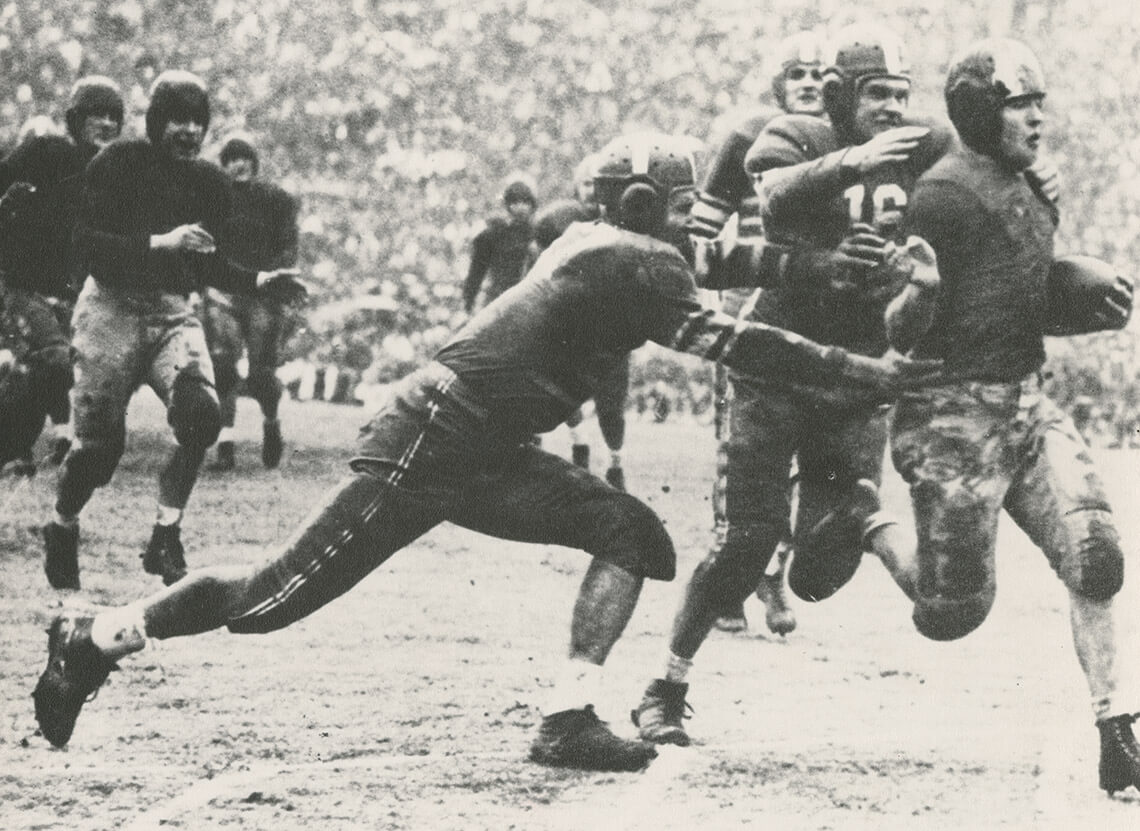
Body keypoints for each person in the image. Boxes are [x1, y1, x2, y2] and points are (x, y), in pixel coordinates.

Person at [31, 132, 941, 772]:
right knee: (270, 599)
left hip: (480, 441)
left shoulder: (608, 241)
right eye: (679, 203)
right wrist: (866, 370)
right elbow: (744, 337)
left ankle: (569, 714)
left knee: (632, 535)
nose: (692, 220)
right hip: (434, 436)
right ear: (642, 205)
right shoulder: (634, 256)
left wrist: (824, 269)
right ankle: (98, 635)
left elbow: (726, 260)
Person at [632, 22, 959, 746]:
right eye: (877, 94)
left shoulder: (924, 144)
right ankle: (667, 681)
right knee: (747, 537)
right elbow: (778, 197)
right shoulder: (792, 132)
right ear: (841, 94)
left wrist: (1032, 177)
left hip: (860, 369)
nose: (891, 109)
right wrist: (854, 162)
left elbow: (975, 171)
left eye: (901, 95)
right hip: (777, 360)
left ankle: (877, 540)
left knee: (819, 566)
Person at [876, 38, 1140, 797]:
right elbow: (897, 327)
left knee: (1096, 550)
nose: (1038, 119)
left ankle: (1116, 726)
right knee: (950, 610)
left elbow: (1013, 294)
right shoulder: (940, 197)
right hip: (951, 419)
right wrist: (919, 294)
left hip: (1026, 401)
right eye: (1023, 104)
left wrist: (1073, 299)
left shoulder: (1034, 184)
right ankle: (868, 525)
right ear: (982, 111)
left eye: (1039, 103)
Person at [39, 70, 305, 591]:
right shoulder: (119, 162)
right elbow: (87, 244)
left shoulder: (209, 182)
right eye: (178, 120)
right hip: (110, 308)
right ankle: (63, 523)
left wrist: (258, 278)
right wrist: (162, 241)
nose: (188, 131)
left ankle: (166, 533)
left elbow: (206, 263)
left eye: (197, 121)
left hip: (170, 313)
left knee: (201, 414)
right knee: (98, 451)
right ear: (157, 121)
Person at [692, 29, 828, 635]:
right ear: (779, 84)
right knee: (743, 451)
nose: (807, 85)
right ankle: (729, 581)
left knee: (807, 455)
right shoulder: (750, 134)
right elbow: (702, 226)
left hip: (822, 310)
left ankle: (773, 573)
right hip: (751, 305)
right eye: (795, 74)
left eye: (817, 76)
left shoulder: (851, 142)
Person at [0, 77, 125, 475]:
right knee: (53, 363)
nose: (106, 123)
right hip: (26, 287)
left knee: (47, 380)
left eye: (113, 116)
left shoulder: (119, 175)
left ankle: (15, 447)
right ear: (75, 119)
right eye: (96, 114)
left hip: (79, 296)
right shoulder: (46, 151)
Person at [530, 152, 629, 489]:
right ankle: (581, 450)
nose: (592, 191)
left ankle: (615, 464)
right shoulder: (564, 222)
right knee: (565, 390)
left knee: (611, 406)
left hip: (612, 325)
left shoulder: (622, 220)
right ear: (576, 187)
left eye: (598, 184)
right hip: (574, 324)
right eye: (587, 183)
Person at [203, 132, 301, 472]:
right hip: (225, 291)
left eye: (242, 157)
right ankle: (225, 443)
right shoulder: (214, 200)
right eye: (230, 159)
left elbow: (289, 244)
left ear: (254, 162)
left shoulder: (275, 199)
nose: (237, 164)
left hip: (263, 294)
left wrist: (276, 276)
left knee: (261, 376)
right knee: (223, 364)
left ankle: (271, 423)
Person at [461, 172, 537, 313]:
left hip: (529, 300)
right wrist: (469, 301)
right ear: (507, 205)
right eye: (514, 202)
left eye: (525, 202)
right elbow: (476, 272)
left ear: (532, 205)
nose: (520, 207)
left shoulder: (538, 234)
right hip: (498, 298)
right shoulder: (493, 234)